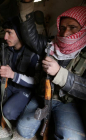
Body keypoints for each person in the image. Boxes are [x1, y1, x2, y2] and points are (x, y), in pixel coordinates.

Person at [17, 1, 86, 140]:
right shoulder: (49, 44)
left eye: (73, 27)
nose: (66, 33)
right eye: (62, 27)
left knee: (71, 138)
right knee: (23, 130)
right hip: (42, 97)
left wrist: (60, 74)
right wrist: (26, 5)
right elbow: (30, 36)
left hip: (67, 103)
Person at [0, 16, 43, 120]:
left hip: (25, 90)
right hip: (9, 85)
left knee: (8, 113)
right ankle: (9, 105)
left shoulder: (34, 54)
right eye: (5, 33)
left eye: (9, 33)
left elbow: (37, 82)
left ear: (20, 33)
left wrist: (13, 75)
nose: (5, 37)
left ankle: (20, 107)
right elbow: (2, 72)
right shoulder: (6, 51)